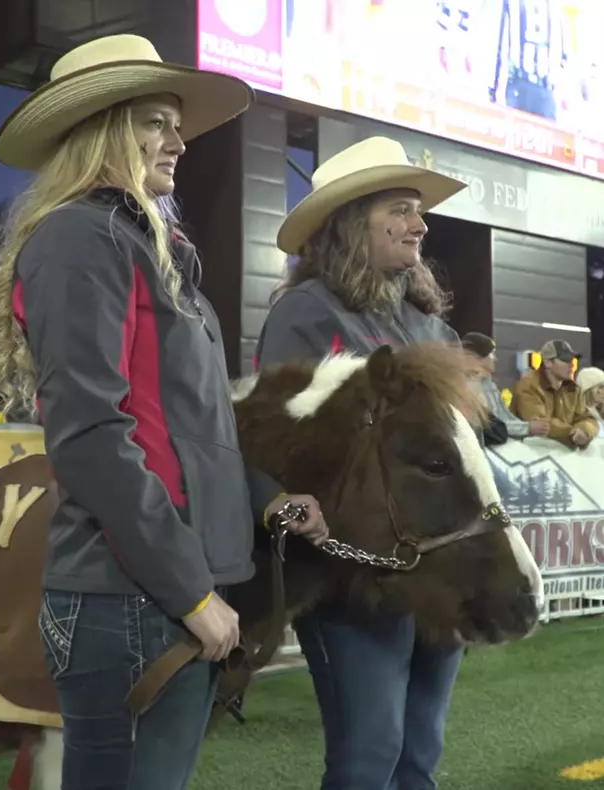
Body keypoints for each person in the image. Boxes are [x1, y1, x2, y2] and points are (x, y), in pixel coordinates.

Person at [0, 34, 328, 789]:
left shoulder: (136, 245)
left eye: (175, 123)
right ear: (101, 129)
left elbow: (192, 433)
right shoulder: (80, 238)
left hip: (156, 591)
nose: (178, 140)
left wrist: (265, 503)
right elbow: (93, 437)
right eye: (154, 122)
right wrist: (191, 593)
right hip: (129, 598)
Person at [256, 135, 470, 790]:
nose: (420, 224)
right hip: (353, 579)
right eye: (402, 209)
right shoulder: (305, 313)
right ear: (352, 222)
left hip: (441, 569)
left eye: (418, 211)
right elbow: (271, 436)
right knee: (369, 755)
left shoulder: (431, 325)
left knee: (418, 753)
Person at [461, 331, 550, 441]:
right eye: (492, 354)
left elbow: (504, 417)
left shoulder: (489, 384)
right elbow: (489, 427)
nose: (495, 359)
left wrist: (527, 425)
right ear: (480, 358)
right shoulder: (469, 386)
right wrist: (528, 428)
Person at [512, 339, 597, 450]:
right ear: (548, 362)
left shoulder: (573, 389)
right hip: (529, 454)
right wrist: (573, 432)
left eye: (572, 359)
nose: (572, 364)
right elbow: (541, 423)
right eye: (565, 360)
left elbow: (587, 419)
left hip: (559, 456)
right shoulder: (528, 386)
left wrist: (585, 430)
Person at [576, 366, 604, 434]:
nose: (603, 391)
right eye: (600, 387)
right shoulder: (578, 416)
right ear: (588, 389)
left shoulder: (599, 412)